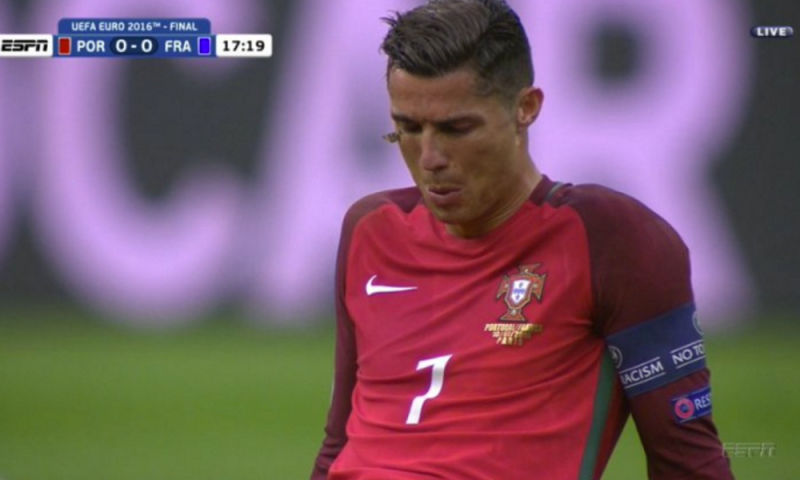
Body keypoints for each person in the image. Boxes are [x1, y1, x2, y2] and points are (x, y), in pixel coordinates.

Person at [311, 0, 734, 478]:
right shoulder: (370, 228)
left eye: (456, 128)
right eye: (407, 128)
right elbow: (339, 444)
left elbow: (689, 461)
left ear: (525, 108)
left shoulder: (611, 238)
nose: (429, 157)